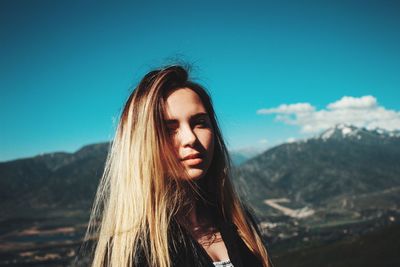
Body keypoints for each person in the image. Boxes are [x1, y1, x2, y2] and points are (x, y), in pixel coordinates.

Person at [81, 65, 272, 267]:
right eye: (169, 129)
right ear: (142, 145)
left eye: (200, 123)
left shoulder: (240, 224)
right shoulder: (132, 252)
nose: (190, 138)